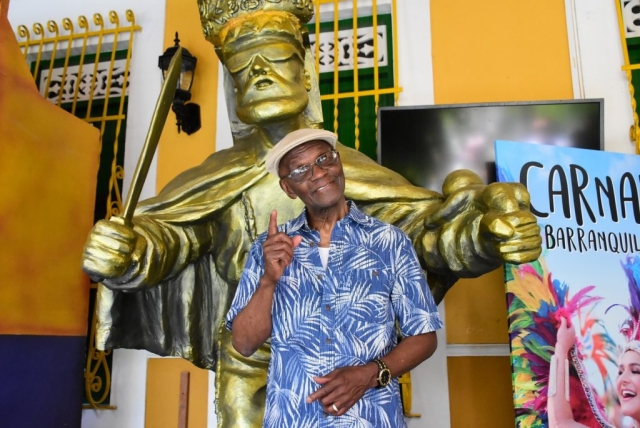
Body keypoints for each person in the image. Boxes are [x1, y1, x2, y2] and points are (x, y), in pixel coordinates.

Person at [82, 3, 542, 426]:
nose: (258, 72)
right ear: (287, 185)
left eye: (275, 57)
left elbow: (427, 236)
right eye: (242, 65)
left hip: (362, 394)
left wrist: (481, 236)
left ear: (305, 74)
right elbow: (171, 241)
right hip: (258, 378)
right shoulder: (217, 180)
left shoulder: (372, 207)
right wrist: (129, 251)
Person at [227, 127, 442, 427]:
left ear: (339, 162)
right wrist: (269, 280)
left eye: (324, 159)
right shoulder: (269, 249)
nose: (318, 173)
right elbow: (245, 343)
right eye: (301, 170)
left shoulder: (389, 242)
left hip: (372, 419)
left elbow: (425, 336)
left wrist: (370, 374)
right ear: (288, 188)